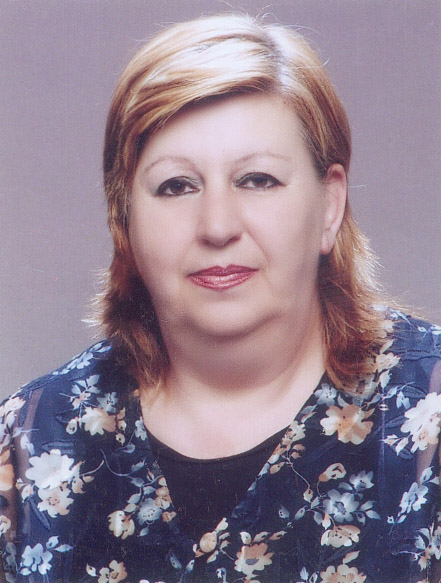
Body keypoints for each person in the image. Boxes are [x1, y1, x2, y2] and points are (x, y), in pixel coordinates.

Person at [0, 13, 440, 583]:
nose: (217, 226)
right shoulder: (30, 443)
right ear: (124, 220)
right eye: (176, 186)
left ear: (330, 206)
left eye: (258, 180)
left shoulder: (428, 417)